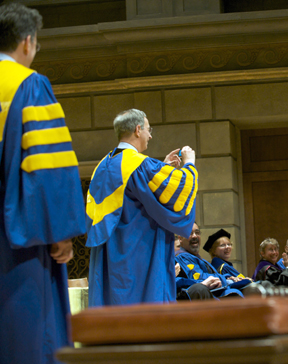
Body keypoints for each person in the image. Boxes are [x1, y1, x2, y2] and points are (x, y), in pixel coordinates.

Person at [0, 3, 86, 363]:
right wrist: (60, 232)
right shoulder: (29, 85)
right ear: (27, 42)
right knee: (27, 334)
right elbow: (47, 168)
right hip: (16, 240)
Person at [86, 109, 198, 306]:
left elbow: (135, 195)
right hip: (137, 251)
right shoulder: (138, 164)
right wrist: (189, 164)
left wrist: (163, 167)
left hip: (110, 253)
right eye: (148, 129)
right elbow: (182, 188)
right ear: (138, 130)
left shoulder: (103, 166)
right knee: (140, 307)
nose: (150, 135)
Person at [175, 223, 244, 299]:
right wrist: (225, 279)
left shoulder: (200, 259)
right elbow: (200, 277)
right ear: (180, 238)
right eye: (189, 233)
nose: (194, 236)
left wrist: (228, 278)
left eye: (197, 233)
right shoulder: (182, 257)